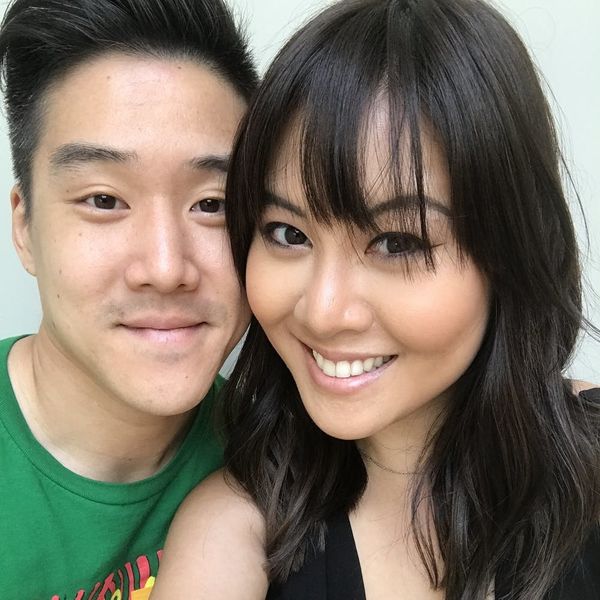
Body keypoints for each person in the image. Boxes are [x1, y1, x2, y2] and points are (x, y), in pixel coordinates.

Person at [152, 0, 600, 598]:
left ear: (510, 250)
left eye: (396, 242)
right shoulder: (233, 534)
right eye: (288, 233)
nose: (323, 312)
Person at [0, 0, 257, 597]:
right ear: (25, 227)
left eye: (212, 204)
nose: (166, 269)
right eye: (104, 200)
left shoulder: (283, 462)